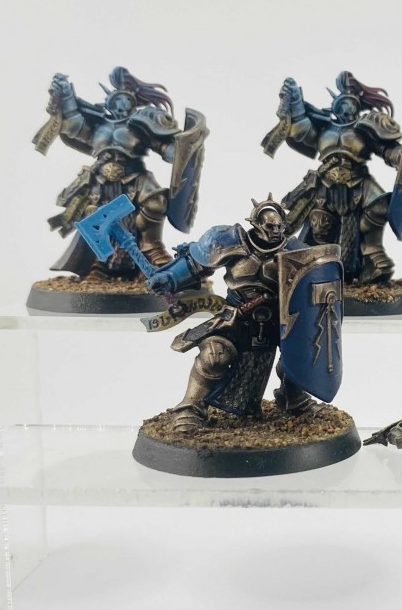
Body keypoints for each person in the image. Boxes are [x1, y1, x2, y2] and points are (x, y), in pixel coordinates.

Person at [145, 196, 344, 434]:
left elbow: (313, 280)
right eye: (270, 226)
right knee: (214, 356)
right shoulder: (229, 241)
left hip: (277, 321)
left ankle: (294, 399)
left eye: (279, 227)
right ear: (256, 224)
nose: (275, 231)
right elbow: (194, 264)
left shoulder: (296, 252)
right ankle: (190, 408)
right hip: (236, 318)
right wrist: (169, 277)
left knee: (298, 355)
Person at [33, 66, 205, 281]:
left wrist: (179, 150)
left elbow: (164, 147)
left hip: (135, 176)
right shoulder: (98, 126)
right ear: (109, 102)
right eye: (118, 101)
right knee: (95, 214)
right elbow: (73, 125)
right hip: (100, 179)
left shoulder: (142, 123)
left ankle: (153, 250)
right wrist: (66, 94)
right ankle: (99, 262)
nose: (122, 106)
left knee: (156, 203)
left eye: (126, 102)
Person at [262, 70, 402, 285]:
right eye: (343, 104)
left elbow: (386, 149)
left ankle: (374, 260)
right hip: (325, 185)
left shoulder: (365, 127)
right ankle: (318, 270)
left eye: (351, 104)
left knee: (376, 211)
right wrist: (295, 101)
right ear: (335, 106)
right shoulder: (324, 129)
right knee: (320, 225)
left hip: (358, 182)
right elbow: (302, 132)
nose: (347, 109)